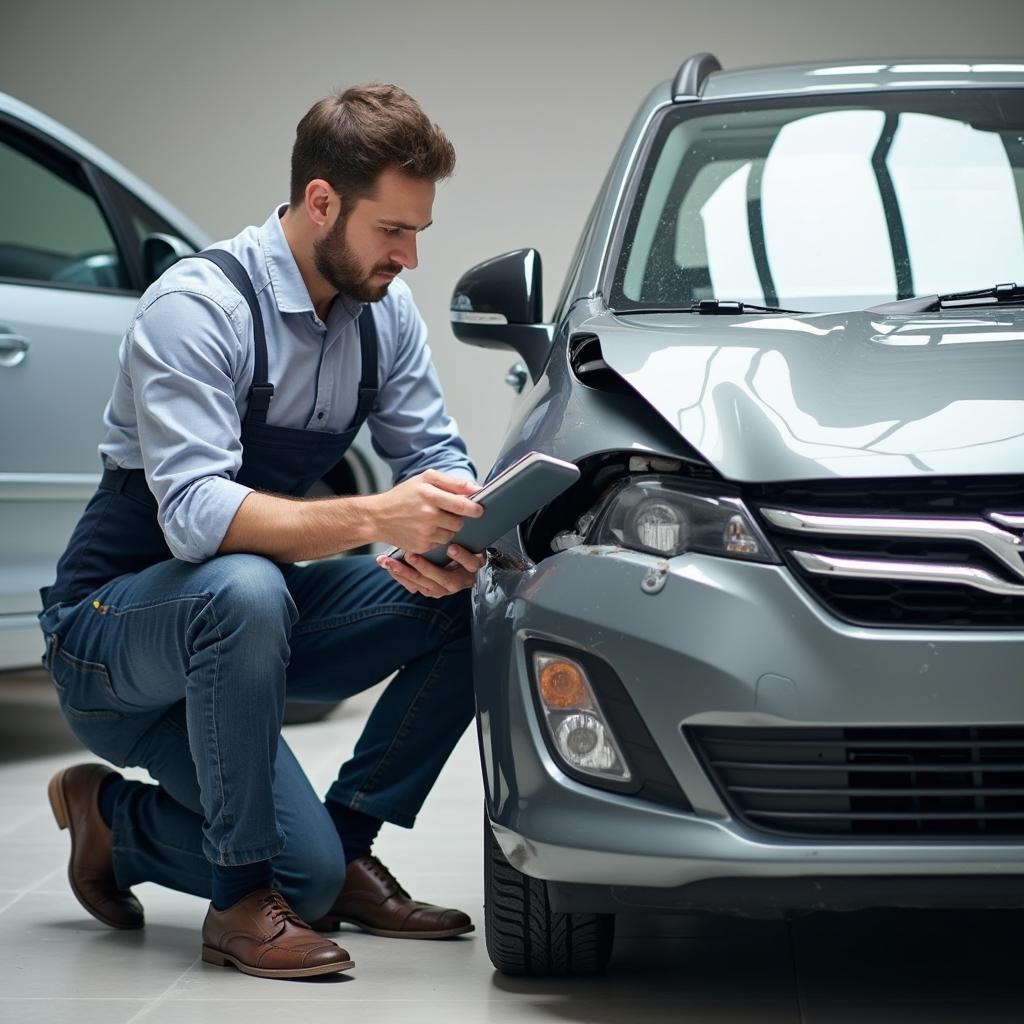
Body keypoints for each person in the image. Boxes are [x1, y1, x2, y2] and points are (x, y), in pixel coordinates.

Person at [39, 84, 485, 980]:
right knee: (240, 588)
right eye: (392, 230)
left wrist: (459, 532)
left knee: (472, 605)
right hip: (113, 643)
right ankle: (230, 897)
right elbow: (200, 518)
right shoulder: (198, 306)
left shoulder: (381, 314)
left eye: (417, 233)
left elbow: (436, 453)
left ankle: (344, 848)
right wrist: (375, 517)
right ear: (321, 200)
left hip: (251, 629)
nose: (409, 256)